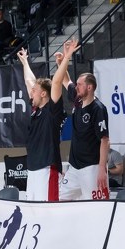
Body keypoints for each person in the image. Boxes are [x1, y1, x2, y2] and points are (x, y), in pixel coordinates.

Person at [54, 39, 110, 200]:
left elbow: (105, 140)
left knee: (96, 206)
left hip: (91, 168)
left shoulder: (98, 109)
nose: (76, 87)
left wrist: (102, 169)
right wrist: (62, 62)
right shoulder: (78, 98)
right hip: (74, 167)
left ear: (89, 87)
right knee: (58, 199)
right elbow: (66, 81)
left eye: (79, 84)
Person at [17, 47, 66, 201]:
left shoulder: (52, 110)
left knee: (48, 210)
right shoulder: (35, 110)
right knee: (33, 210)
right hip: (32, 169)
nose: (31, 93)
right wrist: (25, 61)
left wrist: (65, 59)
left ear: (44, 93)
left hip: (47, 168)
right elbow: (29, 81)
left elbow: (56, 82)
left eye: (34, 91)